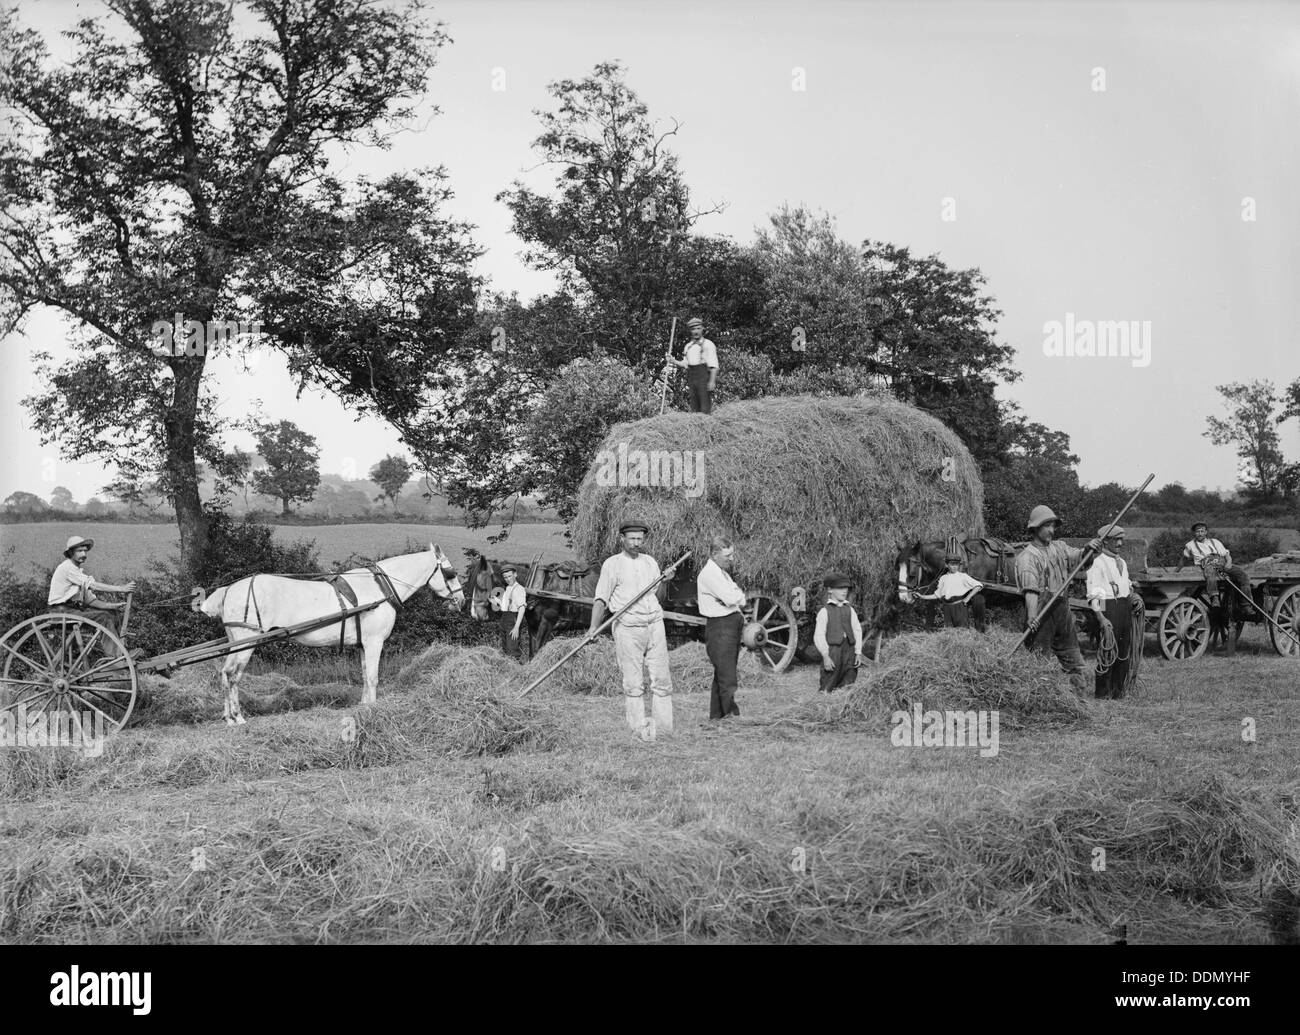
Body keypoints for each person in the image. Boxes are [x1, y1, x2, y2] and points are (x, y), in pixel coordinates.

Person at [589, 519, 673, 742]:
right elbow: (601, 599)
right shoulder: (612, 564)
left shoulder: (650, 562)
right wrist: (593, 628)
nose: (636, 543)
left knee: (662, 679)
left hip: (654, 624)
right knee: (634, 682)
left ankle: (664, 728)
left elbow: (659, 596)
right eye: (632, 539)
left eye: (640, 539)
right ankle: (637, 729)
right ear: (622, 539)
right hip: (628, 627)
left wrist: (665, 581)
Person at [1015, 506, 1103, 692]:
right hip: (1040, 613)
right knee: (1038, 663)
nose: (1052, 531)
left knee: (1073, 660)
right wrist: (1032, 617)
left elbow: (1080, 557)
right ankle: (1039, 700)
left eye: (1053, 526)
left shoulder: (1059, 547)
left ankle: (1078, 699)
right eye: (1047, 526)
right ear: (1035, 528)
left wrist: (1089, 549)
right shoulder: (1027, 557)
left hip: (1062, 609)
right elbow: (1031, 590)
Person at [697, 536, 747, 720]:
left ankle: (716, 716)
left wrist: (735, 596)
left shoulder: (721, 573)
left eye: (732, 554)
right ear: (714, 555)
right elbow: (733, 598)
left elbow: (741, 597)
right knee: (727, 676)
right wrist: (734, 596)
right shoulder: (709, 574)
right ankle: (730, 715)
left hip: (729, 624)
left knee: (722, 673)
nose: (731, 559)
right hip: (721, 627)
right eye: (727, 556)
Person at [47, 535, 136, 632]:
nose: (84, 554)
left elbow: (91, 601)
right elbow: (93, 585)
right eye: (80, 551)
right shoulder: (67, 568)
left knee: (112, 613)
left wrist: (113, 606)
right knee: (104, 617)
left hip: (72, 611)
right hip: (61, 611)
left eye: (85, 551)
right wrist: (121, 589)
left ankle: (120, 642)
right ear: (71, 552)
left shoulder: (78, 575)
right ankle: (116, 647)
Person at [1086, 525, 1134, 700]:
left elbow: (1126, 586)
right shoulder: (1097, 563)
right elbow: (1094, 595)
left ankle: (1118, 693)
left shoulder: (1122, 562)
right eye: (1116, 540)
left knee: (1123, 652)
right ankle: (1102, 694)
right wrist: (1101, 618)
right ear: (1105, 541)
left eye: (1121, 539)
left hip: (1124, 608)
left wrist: (1133, 598)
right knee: (1107, 652)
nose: (1120, 543)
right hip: (1107, 608)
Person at [1178, 522, 1251, 615]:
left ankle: (1246, 605)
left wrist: (1228, 563)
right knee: (1210, 573)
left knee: (1242, 575)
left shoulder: (1215, 542)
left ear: (1206, 532)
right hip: (1208, 564)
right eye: (1197, 531)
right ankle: (1214, 598)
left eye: (1202, 531)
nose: (1200, 533)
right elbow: (1183, 559)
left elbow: (1227, 555)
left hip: (1222, 563)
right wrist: (1176, 571)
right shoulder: (1190, 545)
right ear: (1194, 533)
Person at [914, 546, 988, 631]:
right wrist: (922, 596)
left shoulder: (962, 576)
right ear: (946, 564)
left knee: (962, 631)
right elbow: (937, 595)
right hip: (947, 608)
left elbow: (978, 585)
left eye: (956, 564)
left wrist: (968, 598)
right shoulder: (943, 578)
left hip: (960, 607)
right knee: (949, 632)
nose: (954, 567)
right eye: (952, 564)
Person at [813, 573, 863, 693]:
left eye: (846, 588)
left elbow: (857, 630)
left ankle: (843, 698)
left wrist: (858, 652)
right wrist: (825, 656)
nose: (844, 591)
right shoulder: (825, 612)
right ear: (830, 590)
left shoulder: (850, 609)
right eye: (840, 588)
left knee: (849, 680)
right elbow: (819, 635)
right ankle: (825, 697)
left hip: (849, 650)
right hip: (833, 651)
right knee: (829, 679)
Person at [668, 316, 718, 414]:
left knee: (704, 406)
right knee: (694, 405)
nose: (696, 331)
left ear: (702, 329)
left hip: (703, 378)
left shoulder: (708, 344)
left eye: (698, 328)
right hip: (692, 378)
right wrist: (673, 361)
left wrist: (712, 381)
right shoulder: (688, 347)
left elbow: (714, 365)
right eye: (693, 329)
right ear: (690, 331)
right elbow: (685, 364)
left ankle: (706, 426)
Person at [497, 564, 527, 661]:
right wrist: (497, 602)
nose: (507, 579)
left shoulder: (519, 589)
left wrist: (516, 627)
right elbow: (505, 605)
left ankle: (516, 670)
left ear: (515, 574)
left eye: (509, 576)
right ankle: (508, 671)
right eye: (505, 577)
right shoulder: (508, 588)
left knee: (512, 649)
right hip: (505, 618)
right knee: (505, 648)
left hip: (513, 619)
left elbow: (522, 608)